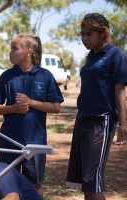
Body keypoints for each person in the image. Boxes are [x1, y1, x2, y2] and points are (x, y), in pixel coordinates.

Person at [0, 34, 64, 196]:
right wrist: (14, 108)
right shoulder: (6, 76)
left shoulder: (45, 76)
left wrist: (31, 102)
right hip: (9, 140)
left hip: (35, 142)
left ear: (28, 52)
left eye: (15, 48)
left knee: (34, 184)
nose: (10, 52)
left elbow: (56, 107)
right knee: (5, 180)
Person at [66, 13, 127, 200]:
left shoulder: (117, 55)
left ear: (103, 33)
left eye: (90, 33)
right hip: (83, 118)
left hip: (102, 120)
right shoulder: (90, 57)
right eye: (82, 34)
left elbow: (120, 92)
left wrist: (123, 125)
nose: (85, 38)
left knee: (94, 179)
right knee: (86, 181)